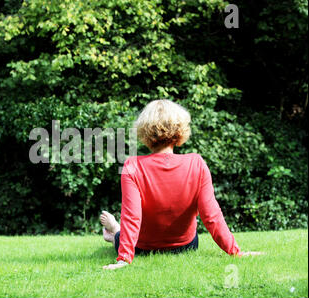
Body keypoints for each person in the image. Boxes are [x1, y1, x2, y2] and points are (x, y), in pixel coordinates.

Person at [101, 99, 263, 270]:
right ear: (180, 129)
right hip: (185, 246)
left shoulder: (132, 166)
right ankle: (114, 231)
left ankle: (114, 230)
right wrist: (235, 252)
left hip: (142, 248)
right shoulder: (197, 163)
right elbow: (211, 215)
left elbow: (132, 216)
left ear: (145, 132)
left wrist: (124, 258)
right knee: (121, 235)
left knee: (119, 236)